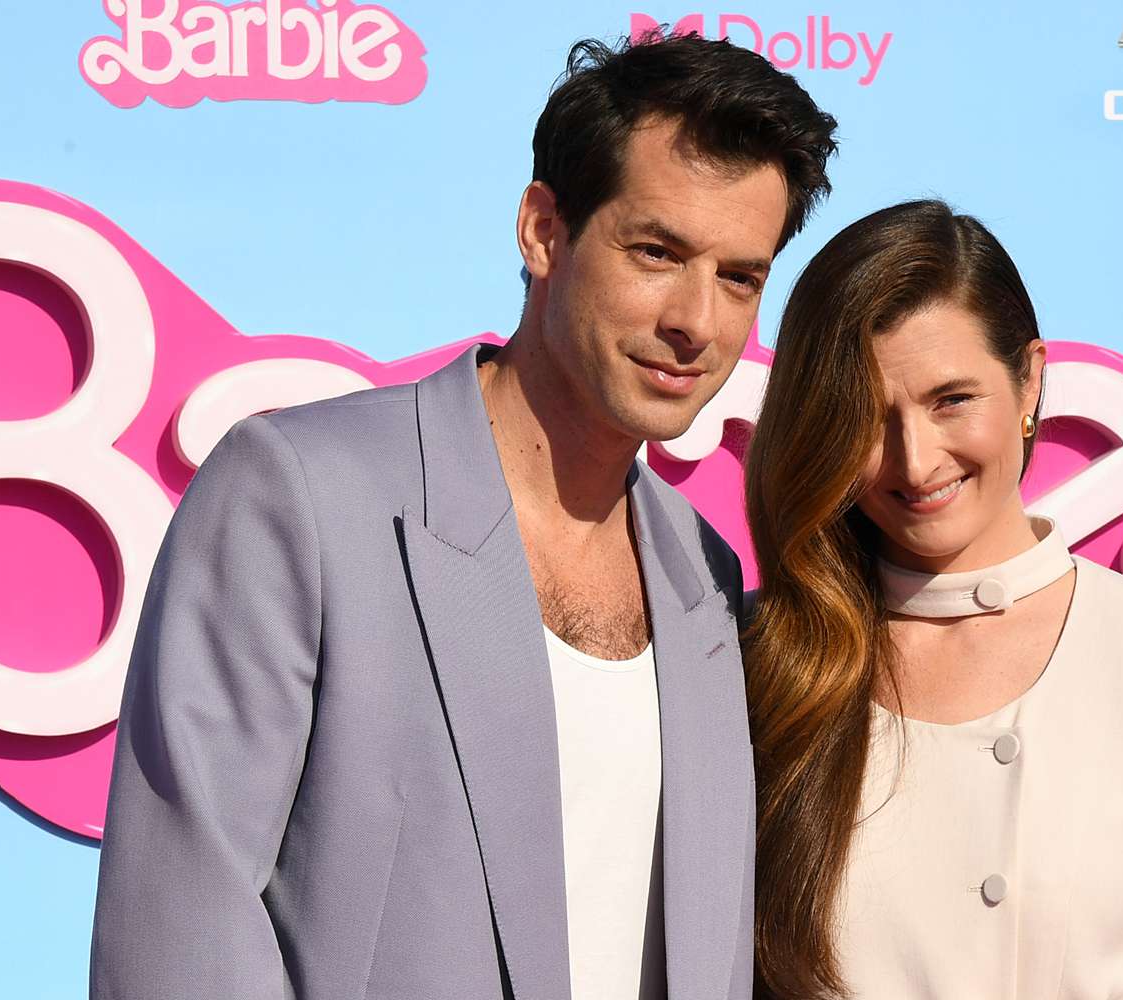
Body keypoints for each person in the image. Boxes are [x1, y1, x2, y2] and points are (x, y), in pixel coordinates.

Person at [90, 33, 836, 1000]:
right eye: (657, 252)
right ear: (542, 231)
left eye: (740, 277)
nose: (697, 319)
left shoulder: (704, 573)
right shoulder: (302, 495)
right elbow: (179, 935)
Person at [745, 200, 1123, 1000]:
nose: (917, 460)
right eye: (866, 415)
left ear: (1029, 380)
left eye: (952, 400)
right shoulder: (763, 655)